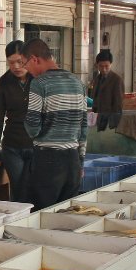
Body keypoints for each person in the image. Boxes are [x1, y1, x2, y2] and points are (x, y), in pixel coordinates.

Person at [22, 38, 87, 210]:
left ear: (35, 59)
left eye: (25, 63)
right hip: (72, 162)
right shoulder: (77, 82)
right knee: (65, 216)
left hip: (47, 163)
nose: (25, 69)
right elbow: (84, 127)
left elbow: (33, 128)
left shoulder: (39, 83)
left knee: (41, 218)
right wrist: (80, 162)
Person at [0, 41, 33, 202]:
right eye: (11, 63)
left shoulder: (39, 80)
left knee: (34, 188)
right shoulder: (3, 83)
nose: (16, 66)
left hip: (36, 146)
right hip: (12, 146)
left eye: (20, 62)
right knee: (18, 190)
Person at [89, 49, 124, 132]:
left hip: (110, 121)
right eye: (101, 66)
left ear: (111, 64)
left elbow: (118, 104)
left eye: (106, 66)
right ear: (97, 65)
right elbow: (95, 98)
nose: (104, 69)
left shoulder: (117, 80)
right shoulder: (97, 79)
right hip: (98, 118)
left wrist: (114, 122)